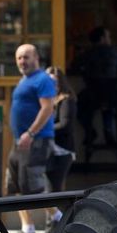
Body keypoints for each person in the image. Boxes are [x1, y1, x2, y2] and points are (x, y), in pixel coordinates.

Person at [7, 43, 57, 233]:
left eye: (26, 57)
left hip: (36, 140)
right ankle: (27, 230)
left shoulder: (43, 79)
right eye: (19, 58)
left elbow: (47, 109)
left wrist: (31, 132)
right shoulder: (24, 80)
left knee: (33, 188)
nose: (22, 61)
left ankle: (57, 217)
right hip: (20, 141)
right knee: (16, 186)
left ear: (36, 58)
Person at [73, 26, 117, 155]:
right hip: (113, 96)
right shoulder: (115, 52)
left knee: (75, 105)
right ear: (102, 38)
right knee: (108, 106)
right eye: (108, 36)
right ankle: (108, 131)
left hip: (92, 96)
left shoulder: (88, 53)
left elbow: (74, 66)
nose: (110, 39)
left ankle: (90, 131)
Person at [47, 66, 77, 195]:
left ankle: (63, 215)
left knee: (56, 189)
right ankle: (55, 215)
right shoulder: (47, 100)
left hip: (62, 150)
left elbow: (65, 125)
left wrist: (44, 130)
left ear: (61, 82)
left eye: (55, 81)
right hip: (48, 149)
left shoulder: (66, 100)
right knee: (47, 189)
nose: (51, 85)